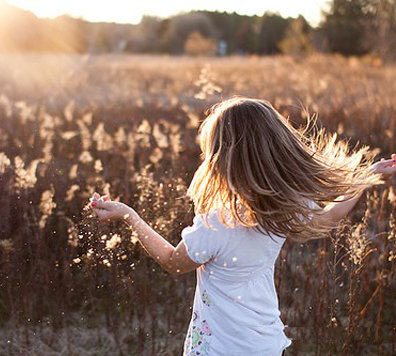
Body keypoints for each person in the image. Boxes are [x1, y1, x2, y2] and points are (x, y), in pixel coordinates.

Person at [89, 96, 396, 355]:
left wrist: (129, 215)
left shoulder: (216, 225)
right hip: (265, 342)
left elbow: (172, 262)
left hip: (216, 349)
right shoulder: (283, 209)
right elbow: (329, 216)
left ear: (222, 158)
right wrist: (368, 175)